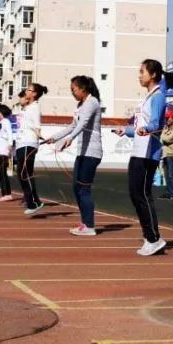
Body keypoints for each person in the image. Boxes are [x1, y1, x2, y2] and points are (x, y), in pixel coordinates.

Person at [115, 59, 173, 255]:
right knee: (136, 193)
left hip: (149, 153)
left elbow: (156, 124)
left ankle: (153, 238)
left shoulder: (158, 96)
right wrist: (127, 130)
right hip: (138, 151)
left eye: (142, 72)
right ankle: (150, 236)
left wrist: (144, 130)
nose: (139, 75)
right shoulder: (147, 98)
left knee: (142, 194)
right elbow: (141, 126)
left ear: (153, 74)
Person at [45, 75, 104, 236]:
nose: (72, 92)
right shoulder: (80, 105)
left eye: (74, 89)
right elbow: (73, 125)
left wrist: (70, 139)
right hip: (82, 153)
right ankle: (84, 222)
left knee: (84, 188)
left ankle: (89, 225)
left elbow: (83, 124)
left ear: (83, 88)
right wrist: (55, 137)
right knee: (76, 187)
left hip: (92, 152)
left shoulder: (92, 103)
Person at [16, 84, 48, 215]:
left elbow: (36, 125)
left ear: (34, 94)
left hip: (29, 143)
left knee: (25, 173)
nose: (26, 91)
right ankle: (32, 201)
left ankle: (34, 202)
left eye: (29, 90)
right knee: (21, 174)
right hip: (21, 143)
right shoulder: (28, 108)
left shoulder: (35, 107)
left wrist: (39, 134)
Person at [0, 104, 15, 202]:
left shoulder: (5, 121)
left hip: (4, 151)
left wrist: (9, 146)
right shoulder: (1, 122)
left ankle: (7, 194)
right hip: (0, 151)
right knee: (1, 173)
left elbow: (10, 134)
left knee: (2, 173)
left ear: (1, 113)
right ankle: (6, 193)